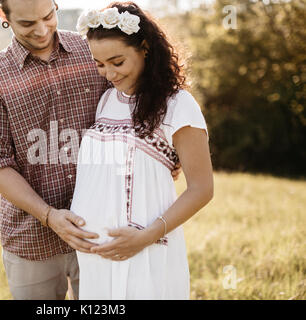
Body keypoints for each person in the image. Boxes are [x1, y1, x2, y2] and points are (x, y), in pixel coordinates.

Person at [0, 0, 180, 300]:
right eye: (28, 24)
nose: (42, 30)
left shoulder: (94, 53)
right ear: (4, 15)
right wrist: (48, 215)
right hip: (32, 238)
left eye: (48, 16)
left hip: (106, 229)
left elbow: (139, 107)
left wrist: (165, 157)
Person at [70, 2, 214, 299]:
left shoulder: (178, 105)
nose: (108, 73)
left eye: (117, 62)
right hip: (96, 257)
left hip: (145, 249)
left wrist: (144, 238)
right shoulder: (107, 100)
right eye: (99, 64)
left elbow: (202, 189)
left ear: (145, 48)